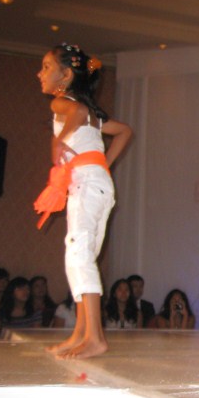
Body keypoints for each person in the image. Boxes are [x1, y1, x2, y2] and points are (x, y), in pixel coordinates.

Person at [35, 43, 133, 358]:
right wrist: (104, 164)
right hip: (96, 183)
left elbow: (76, 114)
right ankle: (81, 332)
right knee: (82, 255)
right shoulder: (91, 113)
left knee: (79, 256)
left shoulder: (63, 103)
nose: (40, 73)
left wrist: (57, 140)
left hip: (88, 185)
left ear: (66, 75)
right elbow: (124, 131)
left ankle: (94, 337)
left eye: (46, 67)